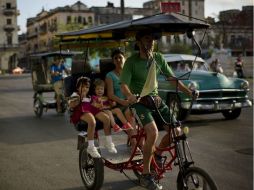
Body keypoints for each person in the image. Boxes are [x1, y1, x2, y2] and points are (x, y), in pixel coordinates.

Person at [120, 30, 197, 190]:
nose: (151, 42)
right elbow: (124, 85)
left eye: (152, 40)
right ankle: (146, 175)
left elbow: (172, 79)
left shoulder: (158, 58)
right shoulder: (131, 62)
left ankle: (158, 154)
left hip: (155, 100)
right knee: (153, 132)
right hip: (139, 102)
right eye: (147, 38)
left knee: (176, 131)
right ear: (139, 41)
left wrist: (188, 92)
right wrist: (130, 96)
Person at [68, 77, 117, 158]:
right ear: (77, 87)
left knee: (106, 119)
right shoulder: (75, 95)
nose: (84, 89)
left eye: (86, 87)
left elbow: (94, 105)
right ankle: (91, 147)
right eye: (82, 86)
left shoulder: (90, 97)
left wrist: (99, 105)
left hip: (91, 110)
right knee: (92, 121)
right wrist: (79, 98)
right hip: (81, 111)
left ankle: (109, 142)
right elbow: (71, 104)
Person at [105, 49, 142, 154]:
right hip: (119, 105)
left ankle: (142, 143)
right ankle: (135, 145)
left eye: (120, 57)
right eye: (115, 58)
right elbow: (110, 94)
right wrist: (123, 102)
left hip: (132, 102)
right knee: (129, 114)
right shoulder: (110, 75)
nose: (118, 59)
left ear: (124, 59)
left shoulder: (130, 73)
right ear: (113, 61)